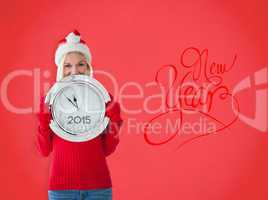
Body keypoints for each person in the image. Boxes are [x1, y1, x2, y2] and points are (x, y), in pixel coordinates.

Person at [36, 30, 123, 200]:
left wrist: (114, 122)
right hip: (61, 190)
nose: (75, 70)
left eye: (81, 64)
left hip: (98, 187)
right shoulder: (50, 101)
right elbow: (44, 150)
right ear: (61, 68)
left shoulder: (103, 99)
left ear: (88, 67)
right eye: (68, 65)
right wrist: (43, 122)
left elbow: (107, 149)